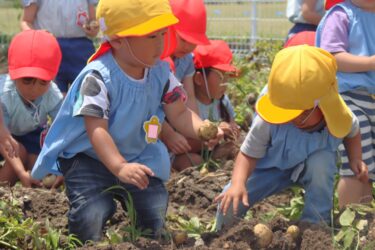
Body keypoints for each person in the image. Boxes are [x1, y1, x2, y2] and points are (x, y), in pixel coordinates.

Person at [30, 0, 222, 243]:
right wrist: (119, 167)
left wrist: (201, 129)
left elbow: (180, 114)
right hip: (90, 158)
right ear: (119, 39)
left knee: (155, 207)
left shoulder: (161, 73)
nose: (161, 44)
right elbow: (96, 130)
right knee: (92, 211)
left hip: (137, 155)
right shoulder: (98, 77)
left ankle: (144, 238)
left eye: (163, 34)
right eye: (151, 37)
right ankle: (89, 239)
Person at [214, 45, 367, 230]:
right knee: (229, 202)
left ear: (323, 105)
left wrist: (356, 158)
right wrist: (237, 184)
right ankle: (222, 234)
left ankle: (315, 226)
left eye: (302, 114)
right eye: (287, 113)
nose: (294, 119)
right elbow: (248, 154)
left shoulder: (338, 115)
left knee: (322, 162)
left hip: (313, 167)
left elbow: (353, 132)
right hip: (269, 168)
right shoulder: (268, 121)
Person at [316, 0, 375, 208]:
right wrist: (370, 62)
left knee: (369, 168)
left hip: (370, 98)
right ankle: (349, 220)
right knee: (356, 163)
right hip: (347, 94)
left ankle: (364, 223)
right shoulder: (341, 15)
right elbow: (332, 57)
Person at [0, 30, 63, 187]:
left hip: (29, 134)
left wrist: (61, 167)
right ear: (12, 74)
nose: (34, 89)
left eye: (43, 82)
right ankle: (3, 194)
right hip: (4, 135)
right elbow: (4, 140)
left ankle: (33, 187)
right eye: (27, 80)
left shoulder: (52, 94)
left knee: (40, 167)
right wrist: (21, 172)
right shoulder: (5, 95)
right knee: (18, 153)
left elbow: (63, 129)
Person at [171, 40, 240, 171]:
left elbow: (232, 125)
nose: (225, 84)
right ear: (198, 79)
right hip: (188, 153)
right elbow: (181, 146)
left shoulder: (223, 102)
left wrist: (231, 130)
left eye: (228, 77)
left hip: (213, 151)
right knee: (194, 161)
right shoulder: (186, 106)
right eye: (221, 77)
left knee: (236, 150)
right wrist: (213, 132)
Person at [160, 0, 211, 170]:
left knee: (197, 146)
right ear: (166, 28)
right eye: (183, 39)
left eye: (193, 41)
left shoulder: (186, 59)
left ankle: (172, 158)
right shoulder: (153, 59)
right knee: (153, 141)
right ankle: (163, 156)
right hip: (151, 124)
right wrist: (168, 134)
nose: (188, 46)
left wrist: (200, 129)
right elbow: (148, 109)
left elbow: (189, 99)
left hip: (175, 117)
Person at [20, 0, 99, 95]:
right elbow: (26, 21)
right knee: (53, 99)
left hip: (81, 50)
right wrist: (38, 37)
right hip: (49, 49)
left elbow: (93, 21)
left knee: (84, 97)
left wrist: (93, 27)